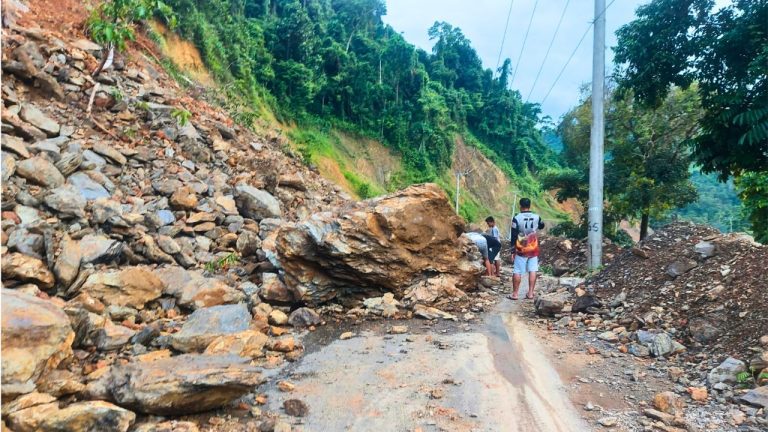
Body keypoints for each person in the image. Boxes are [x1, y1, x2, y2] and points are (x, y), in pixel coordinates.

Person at [508, 198, 544, 300]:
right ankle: (531, 293)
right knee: (533, 270)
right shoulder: (537, 217)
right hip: (533, 247)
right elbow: (542, 225)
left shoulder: (517, 218)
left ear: (520, 206)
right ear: (530, 206)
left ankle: (515, 294)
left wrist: (512, 250)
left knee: (517, 270)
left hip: (521, 248)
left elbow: (514, 235)